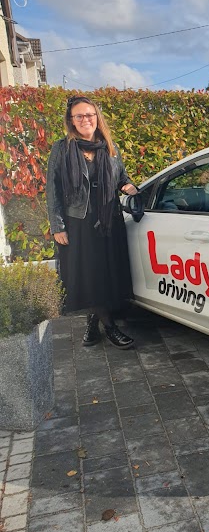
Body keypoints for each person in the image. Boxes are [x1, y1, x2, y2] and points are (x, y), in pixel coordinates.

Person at [46, 95, 138, 349]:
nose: (85, 119)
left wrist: (128, 186)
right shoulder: (62, 149)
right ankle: (110, 327)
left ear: (97, 118)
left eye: (90, 115)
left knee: (106, 275)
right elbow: (52, 189)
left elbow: (122, 177)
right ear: (71, 120)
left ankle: (92, 323)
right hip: (79, 223)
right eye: (79, 116)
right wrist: (57, 226)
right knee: (90, 276)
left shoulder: (110, 146)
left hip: (110, 220)